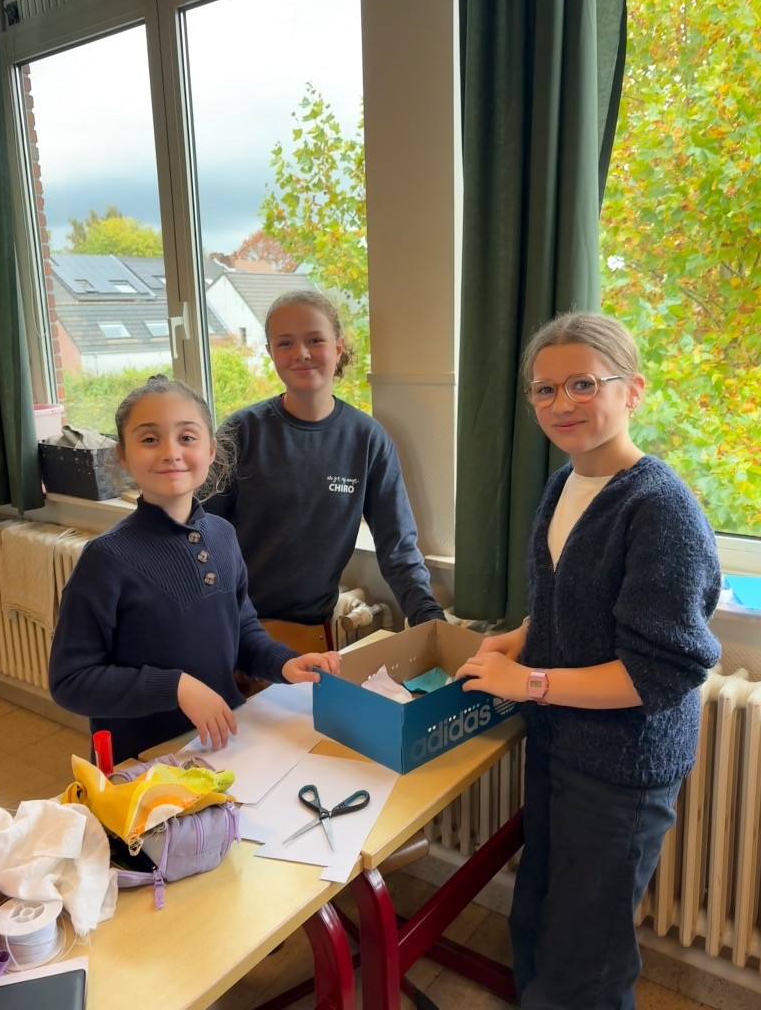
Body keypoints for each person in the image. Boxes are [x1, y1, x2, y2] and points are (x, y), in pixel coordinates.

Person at [456, 312, 721, 1010]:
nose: (561, 403)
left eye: (583, 384)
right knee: (539, 915)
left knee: (586, 961)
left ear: (631, 390)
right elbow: (569, 606)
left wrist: (527, 681)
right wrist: (521, 636)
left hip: (621, 766)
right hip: (560, 740)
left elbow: (656, 674)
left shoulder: (660, 509)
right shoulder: (563, 485)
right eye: (544, 390)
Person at [49, 375, 339, 763]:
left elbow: (241, 628)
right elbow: (70, 681)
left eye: (187, 437)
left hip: (223, 744)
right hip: (146, 763)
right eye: (149, 439)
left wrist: (282, 662)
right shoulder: (105, 559)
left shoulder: (222, 535)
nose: (171, 452)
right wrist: (175, 687)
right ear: (123, 456)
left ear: (211, 450)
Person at [205, 289, 445, 640]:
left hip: (310, 634)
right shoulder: (241, 430)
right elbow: (199, 534)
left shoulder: (367, 439)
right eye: (285, 343)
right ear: (270, 352)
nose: (301, 353)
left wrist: (430, 620)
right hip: (232, 627)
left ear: (338, 347)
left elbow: (398, 549)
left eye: (314, 340)